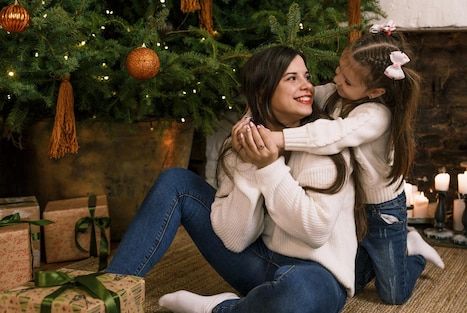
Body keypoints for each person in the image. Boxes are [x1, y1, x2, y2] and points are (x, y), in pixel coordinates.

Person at [106, 46, 362, 313]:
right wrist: (252, 166)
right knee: (176, 182)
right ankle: (108, 291)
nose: (307, 86)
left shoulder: (325, 140)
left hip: (316, 272)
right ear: (263, 91)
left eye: (307, 77)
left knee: (296, 295)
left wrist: (270, 166)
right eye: (292, 78)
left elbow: (315, 232)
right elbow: (236, 240)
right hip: (257, 260)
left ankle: (220, 307)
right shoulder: (242, 142)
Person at [248, 22, 444, 305]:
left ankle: (411, 250)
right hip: (352, 204)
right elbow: (302, 93)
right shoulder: (338, 94)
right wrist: (255, 108)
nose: (337, 80)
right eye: (339, 71)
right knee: (346, 272)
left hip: (383, 211)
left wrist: (278, 139)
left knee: (394, 294)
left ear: (375, 91)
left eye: (348, 81)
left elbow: (331, 136)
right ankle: (385, 255)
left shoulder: (375, 116)